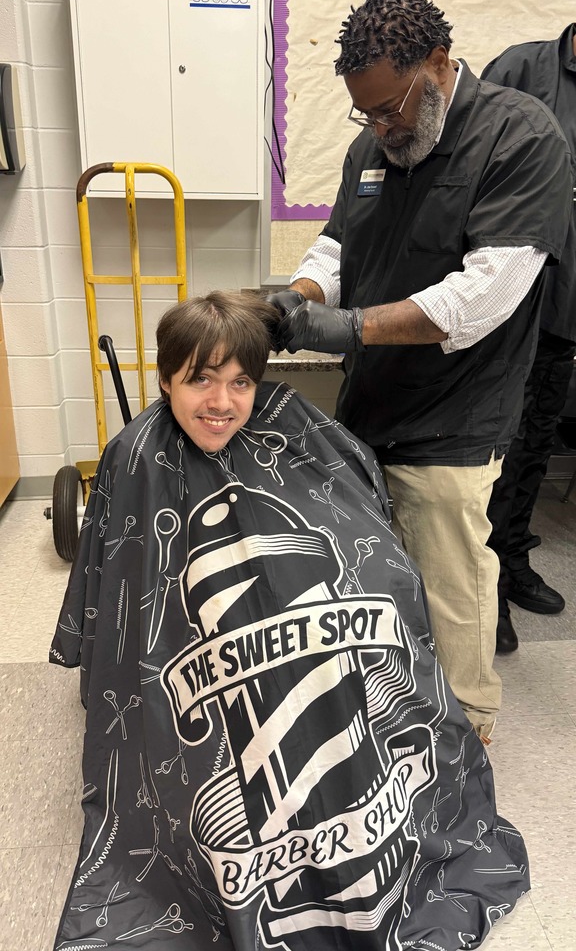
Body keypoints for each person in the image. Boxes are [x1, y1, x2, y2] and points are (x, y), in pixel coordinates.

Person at [49, 290, 530, 951]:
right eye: (200, 379)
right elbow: (121, 590)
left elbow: (354, 503)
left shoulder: (292, 429)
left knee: (359, 642)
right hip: (213, 634)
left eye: (241, 381)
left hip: (302, 607)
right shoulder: (135, 458)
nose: (222, 403)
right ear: (164, 379)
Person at [268, 0, 573, 744]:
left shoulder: (521, 138)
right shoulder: (372, 146)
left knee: (450, 583)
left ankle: (467, 732)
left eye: (390, 108)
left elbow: (481, 297)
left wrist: (340, 327)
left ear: (439, 64)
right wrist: (297, 296)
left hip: (457, 413)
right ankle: (388, 706)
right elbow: (339, 248)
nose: (378, 126)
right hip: (372, 404)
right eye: (363, 112)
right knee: (373, 573)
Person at [480, 25, 576, 654]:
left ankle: (514, 561)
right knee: (497, 449)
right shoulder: (521, 70)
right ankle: (485, 586)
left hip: (569, 298)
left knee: (539, 437)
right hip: (512, 298)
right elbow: (470, 166)